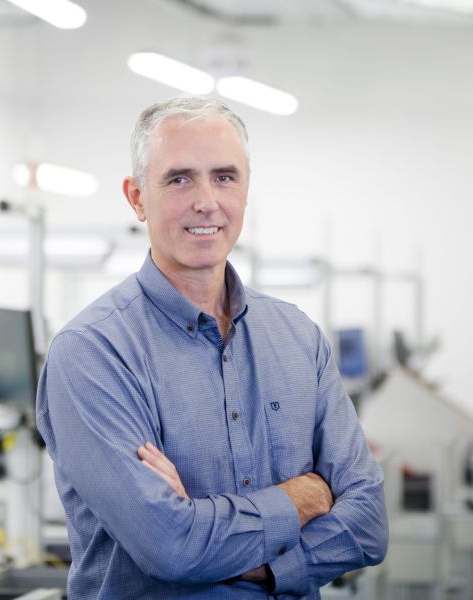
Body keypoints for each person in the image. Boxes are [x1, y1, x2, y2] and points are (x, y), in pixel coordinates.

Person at [36, 95, 388, 599]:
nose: (206, 201)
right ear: (136, 197)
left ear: (245, 191)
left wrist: (259, 566)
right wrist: (304, 497)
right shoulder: (92, 353)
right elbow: (169, 546)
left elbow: (369, 524)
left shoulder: (296, 337)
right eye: (179, 178)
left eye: (225, 177)